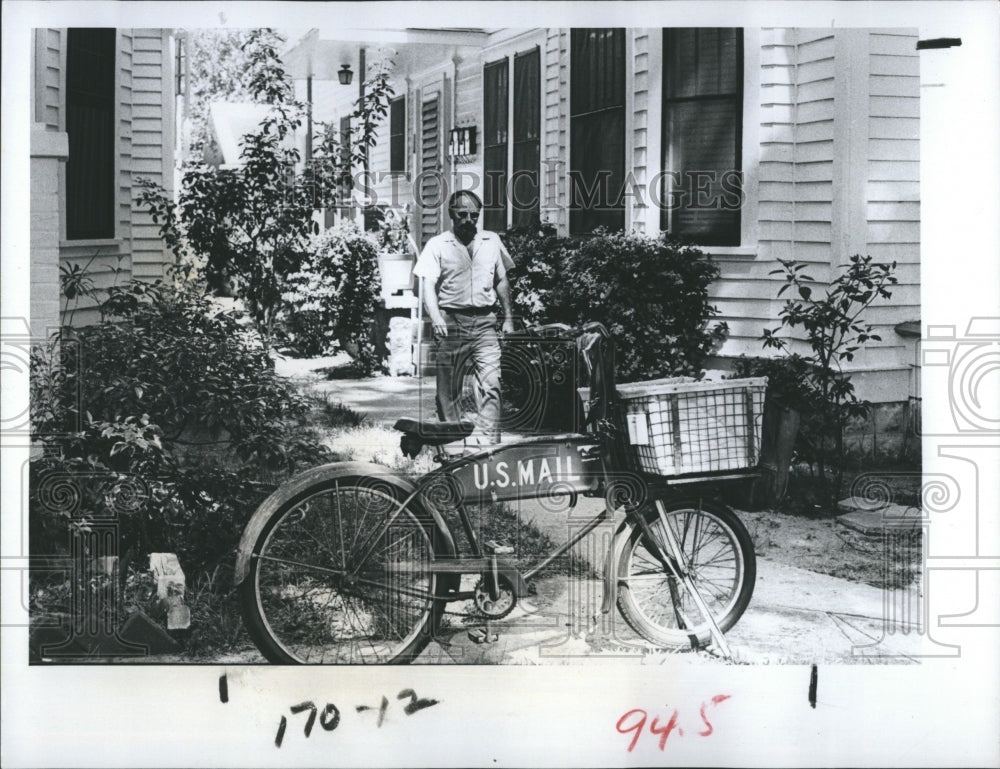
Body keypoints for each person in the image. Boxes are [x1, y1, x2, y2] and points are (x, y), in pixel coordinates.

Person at [412, 189, 515, 442]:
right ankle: (453, 442)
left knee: (492, 383)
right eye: (462, 215)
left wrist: (509, 318)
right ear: (451, 214)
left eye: (474, 215)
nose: (469, 220)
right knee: (448, 388)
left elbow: (501, 280)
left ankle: (488, 442)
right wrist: (436, 318)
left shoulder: (491, 241)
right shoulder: (437, 245)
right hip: (451, 322)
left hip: (485, 323)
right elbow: (427, 285)